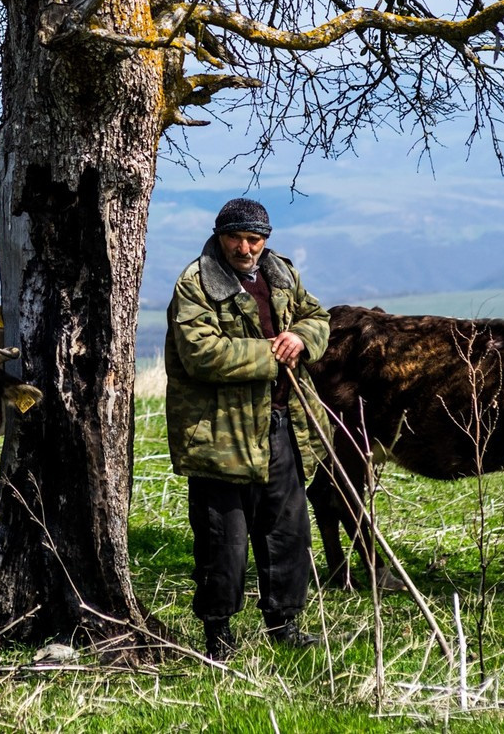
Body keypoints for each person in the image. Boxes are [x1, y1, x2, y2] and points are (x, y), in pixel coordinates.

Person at [164, 197, 331, 660]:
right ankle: (217, 634)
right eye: (235, 238)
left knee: (287, 532)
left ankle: (284, 623)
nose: (245, 247)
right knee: (224, 541)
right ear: (219, 237)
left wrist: (301, 338)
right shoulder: (196, 284)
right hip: (220, 434)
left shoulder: (281, 273)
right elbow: (201, 354)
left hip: (283, 426)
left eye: (253, 238)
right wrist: (271, 354)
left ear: (265, 239)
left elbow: (316, 318)